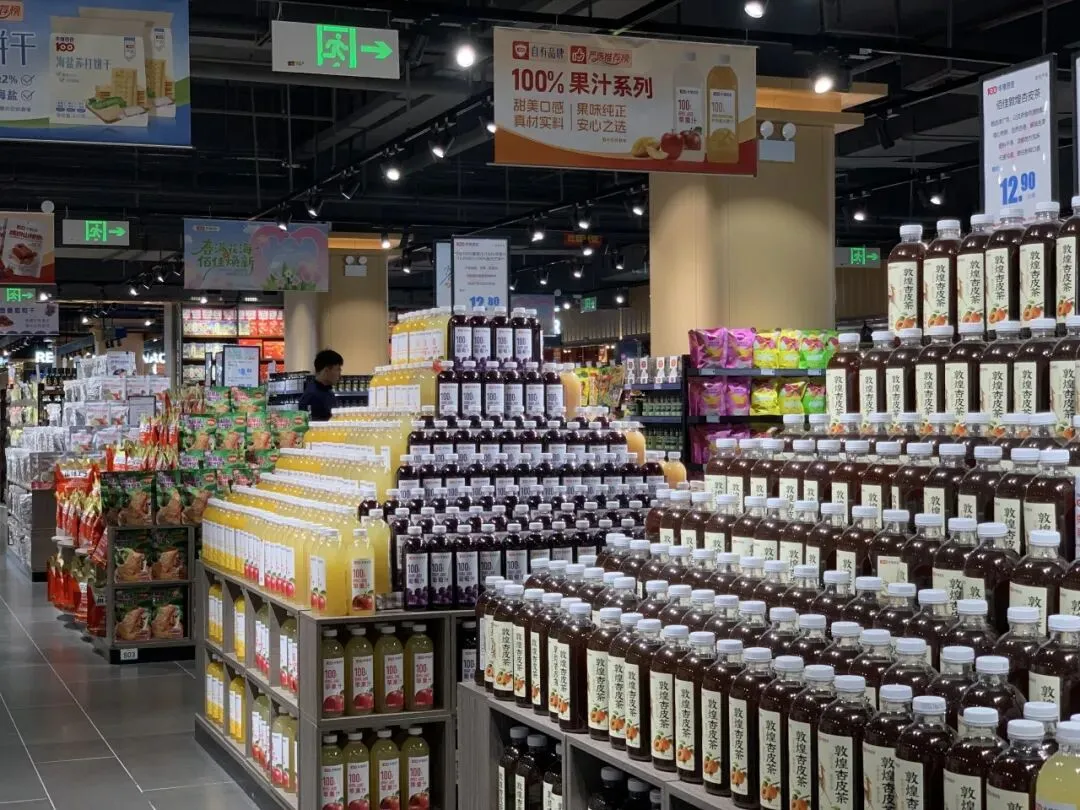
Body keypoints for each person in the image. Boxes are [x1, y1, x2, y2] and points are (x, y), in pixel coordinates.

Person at [298, 349, 342, 421]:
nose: (340, 375)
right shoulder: (311, 396)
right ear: (326, 370)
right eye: (338, 369)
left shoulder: (328, 392)